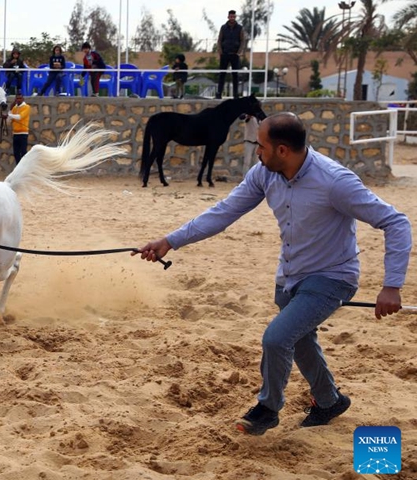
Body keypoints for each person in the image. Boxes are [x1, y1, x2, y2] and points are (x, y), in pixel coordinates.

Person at [132, 113, 411, 436]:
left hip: (332, 277)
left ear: (282, 150)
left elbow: (396, 222)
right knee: (300, 338)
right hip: (290, 276)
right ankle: (328, 400)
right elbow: (224, 212)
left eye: (261, 146)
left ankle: (267, 409)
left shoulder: (334, 181)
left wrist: (392, 285)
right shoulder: (264, 174)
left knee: (277, 338)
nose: (256, 152)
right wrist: (169, 241)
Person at [216, 10, 246, 99]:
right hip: (225, 54)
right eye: (231, 16)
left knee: (235, 75)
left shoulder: (240, 28)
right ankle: (219, 93)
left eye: (233, 16)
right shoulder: (223, 27)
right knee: (222, 74)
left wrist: (239, 52)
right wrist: (220, 51)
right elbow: (219, 40)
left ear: (235, 17)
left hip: (235, 54)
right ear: (228, 17)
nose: (232, 18)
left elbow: (242, 41)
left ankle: (235, 95)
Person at [7, 91, 30, 164]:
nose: (18, 100)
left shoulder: (27, 107)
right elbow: (8, 122)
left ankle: (24, 168)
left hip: (23, 133)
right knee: (16, 153)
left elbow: (20, 117)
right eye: (17, 98)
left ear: (23, 99)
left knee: (23, 152)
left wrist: (9, 115)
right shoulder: (14, 108)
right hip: (15, 134)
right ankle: (18, 168)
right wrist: (10, 110)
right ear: (15, 99)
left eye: (20, 98)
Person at [241, 112, 260, 176]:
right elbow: (242, 117)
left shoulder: (259, 118)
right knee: (247, 161)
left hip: (258, 142)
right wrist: (248, 115)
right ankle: (245, 177)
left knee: (256, 162)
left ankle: (255, 178)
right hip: (249, 141)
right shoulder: (249, 116)